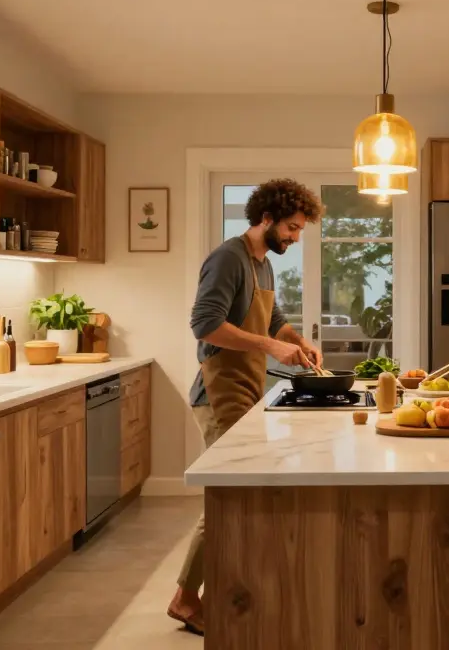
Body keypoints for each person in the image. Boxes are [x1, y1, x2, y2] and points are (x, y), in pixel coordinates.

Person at [167, 178, 324, 635]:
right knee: (229, 495)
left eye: (300, 230)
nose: (295, 238)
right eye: (292, 228)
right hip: (218, 393)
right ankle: (185, 598)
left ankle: (235, 584)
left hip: (246, 388)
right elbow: (204, 324)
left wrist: (297, 340)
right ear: (266, 218)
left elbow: (272, 320)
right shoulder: (228, 258)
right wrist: (271, 348)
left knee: (243, 492)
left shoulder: (262, 264)